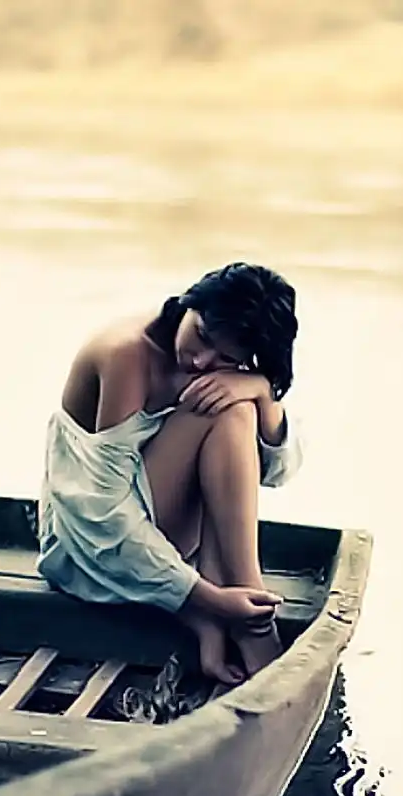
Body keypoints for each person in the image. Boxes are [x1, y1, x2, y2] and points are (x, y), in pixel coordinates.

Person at [35, 262, 304, 686]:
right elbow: (106, 514)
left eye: (227, 357)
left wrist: (260, 391)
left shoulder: (228, 368)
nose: (201, 360)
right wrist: (208, 600)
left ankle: (241, 610)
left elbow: (277, 472)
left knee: (236, 409)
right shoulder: (127, 354)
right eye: (201, 336)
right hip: (90, 547)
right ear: (190, 302)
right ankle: (251, 622)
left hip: (164, 543)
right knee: (225, 411)